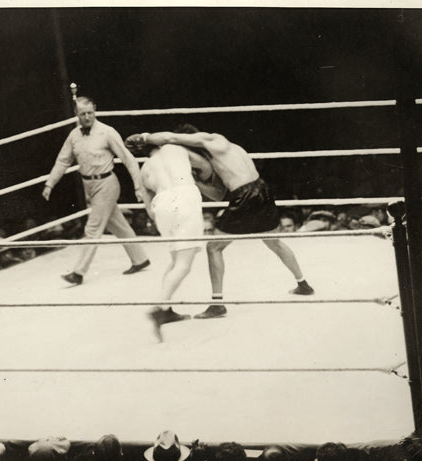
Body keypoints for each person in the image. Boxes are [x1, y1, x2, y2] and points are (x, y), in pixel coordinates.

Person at [127, 126, 313, 319]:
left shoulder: (213, 140)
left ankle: (217, 304)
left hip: (246, 195)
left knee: (213, 248)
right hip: (261, 189)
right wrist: (193, 180)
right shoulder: (225, 153)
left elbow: (170, 137)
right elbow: (219, 194)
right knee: (274, 242)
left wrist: (144, 137)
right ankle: (303, 284)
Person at [42, 96, 150, 285]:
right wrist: (50, 183)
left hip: (107, 183)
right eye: (82, 114)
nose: (86, 117)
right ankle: (140, 259)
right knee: (117, 224)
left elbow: (128, 159)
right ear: (76, 114)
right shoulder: (74, 135)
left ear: (95, 111)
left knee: (92, 228)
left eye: (90, 113)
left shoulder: (107, 132)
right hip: (89, 186)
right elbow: (63, 160)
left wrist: (138, 186)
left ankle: (78, 272)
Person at [125, 134, 205, 341]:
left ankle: (166, 309)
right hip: (185, 197)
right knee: (184, 264)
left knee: (174, 260)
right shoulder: (175, 149)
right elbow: (205, 167)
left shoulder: (144, 169)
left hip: (161, 204)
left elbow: (148, 207)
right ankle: (159, 307)